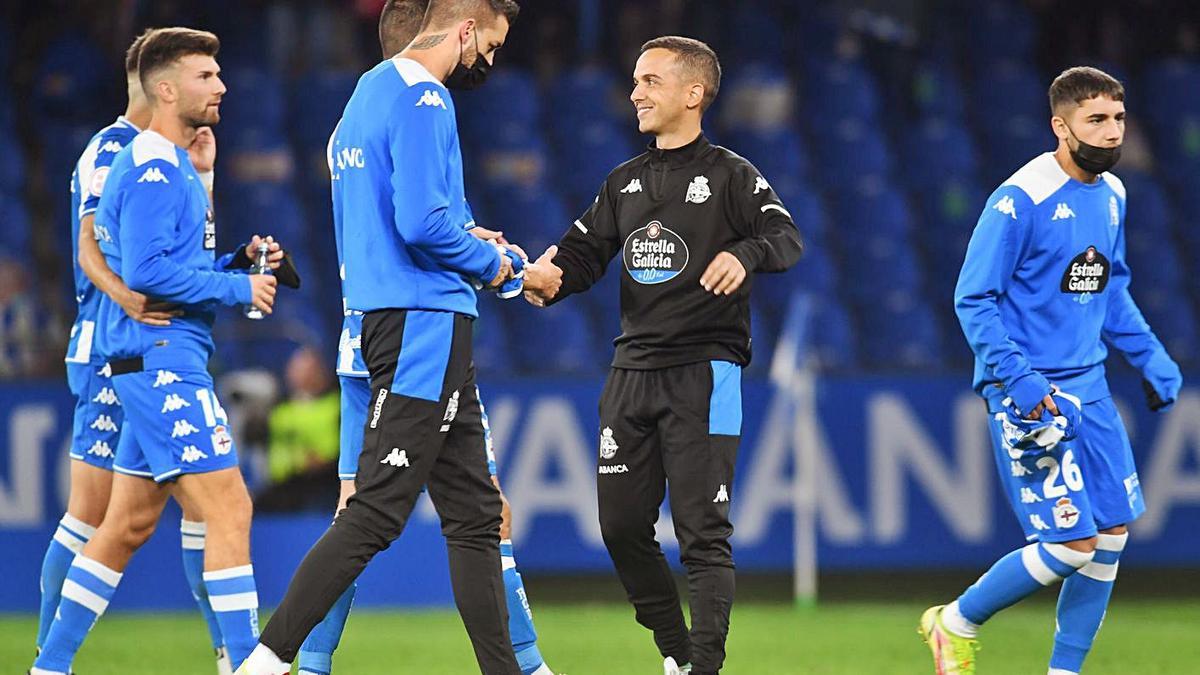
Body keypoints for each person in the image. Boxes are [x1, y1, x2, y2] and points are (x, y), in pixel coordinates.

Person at [237, 2, 560, 672]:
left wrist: (480, 248)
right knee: (378, 509)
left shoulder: (365, 94)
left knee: (473, 514)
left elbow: (405, 217)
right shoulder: (426, 97)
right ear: (465, 27)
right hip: (423, 324)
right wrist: (502, 267)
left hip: (380, 317)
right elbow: (420, 224)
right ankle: (265, 660)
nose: (489, 63)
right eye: (491, 46)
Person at [524, 36, 803, 675]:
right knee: (621, 528)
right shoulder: (623, 182)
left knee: (703, 535)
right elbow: (582, 254)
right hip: (631, 375)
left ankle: (702, 666)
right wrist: (548, 278)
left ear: (693, 94)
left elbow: (785, 236)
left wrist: (745, 254)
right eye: (635, 81)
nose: (636, 93)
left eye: (650, 81)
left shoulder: (733, 175)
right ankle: (677, 654)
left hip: (705, 371)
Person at [32, 27, 284, 674]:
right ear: (166, 89)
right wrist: (238, 286)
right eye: (207, 76)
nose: (222, 85)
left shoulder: (172, 162)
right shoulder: (144, 162)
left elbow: (173, 262)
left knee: (124, 526)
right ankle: (245, 661)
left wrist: (236, 261)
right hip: (159, 355)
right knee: (229, 504)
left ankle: (49, 665)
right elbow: (142, 271)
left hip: (160, 353)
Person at [920, 66, 1184, 675]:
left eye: (1119, 118)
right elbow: (973, 299)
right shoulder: (1019, 201)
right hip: (1030, 393)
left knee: (1112, 534)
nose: (1113, 131)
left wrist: (1149, 354)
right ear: (1059, 127)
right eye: (1096, 119)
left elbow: (1110, 288)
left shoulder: (1114, 196)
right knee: (1070, 545)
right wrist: (1020, 380)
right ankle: (953, 622)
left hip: (1090, 387)